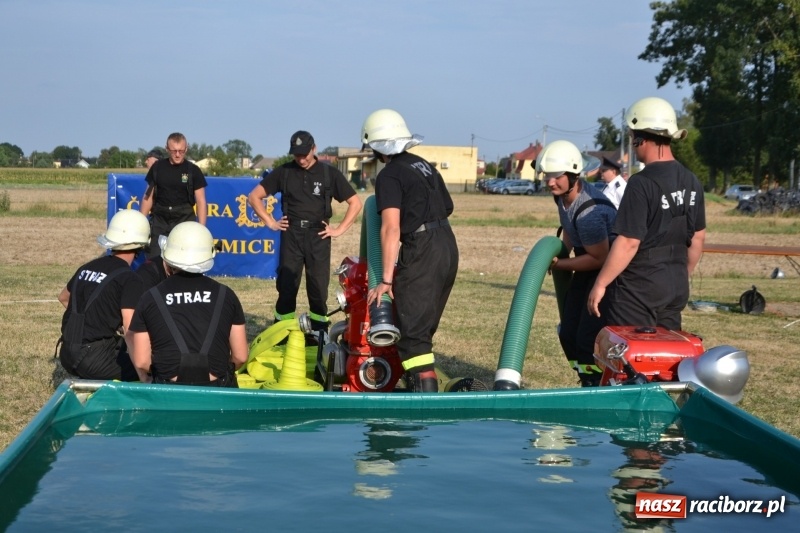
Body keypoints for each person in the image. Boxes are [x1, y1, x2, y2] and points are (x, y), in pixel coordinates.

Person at [587, 97, 706, 330]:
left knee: (632, 359)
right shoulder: (692, 180)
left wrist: (601, 283)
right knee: (668, 358)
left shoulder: (641, 183)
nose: (632, 142)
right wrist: (680, 276)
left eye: (632, 136)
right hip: (676, 285)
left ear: (642, 137)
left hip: (639, 290)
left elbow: (630, 241)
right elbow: (698, 238)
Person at [362, 109, 459, 393]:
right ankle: (420, 383)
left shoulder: (389, 176)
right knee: (422, 328)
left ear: (377, 147)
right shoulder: (423, 165)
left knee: (413, 335)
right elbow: (448, 206)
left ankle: (423, 403)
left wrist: (386, 280)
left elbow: (391, 228)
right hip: (447, 245)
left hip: (423, 249)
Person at [247, 130, 362, 337]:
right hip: (291, 234)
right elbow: (255, 196)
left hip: (318, 236)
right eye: (296, 155)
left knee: (318, 288)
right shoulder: (284, 172)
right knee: (287, 286)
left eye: (304, 154)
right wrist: (271, 222)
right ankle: (281, 333)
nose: (301, 159)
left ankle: (319, 334)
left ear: (314, 148)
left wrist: (339, 229)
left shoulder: (329, 174)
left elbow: (355, 202)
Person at [126, 222, 248, 386]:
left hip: (169, 393)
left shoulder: (150, 298)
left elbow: (141, 361)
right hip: (218, 392)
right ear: (208, 256)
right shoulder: (226, 296)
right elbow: (240, 356)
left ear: (168, 259)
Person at [537, 140, 617, 387]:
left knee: (586, 338)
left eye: (557, 176)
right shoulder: (562, 196)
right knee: (567, 333)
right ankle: (586, 379)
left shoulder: (589, 211)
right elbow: (570, 229)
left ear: (574, 174)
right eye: (547, 175)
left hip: (607, 271)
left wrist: (560, 264)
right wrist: (565, 250)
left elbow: (599, 258)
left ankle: (598, 384)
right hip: (587, 260)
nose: (550, 181)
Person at [57, 209, 149, 381]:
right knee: (152, 363)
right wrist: (143, 372)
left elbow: (63, 297)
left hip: (67, 354)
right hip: (93, 360)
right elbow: (130, 331)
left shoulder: (87, 267)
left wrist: (99, 321)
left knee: (120, 346)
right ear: (140, 246)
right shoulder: (130, 278)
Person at [139, 132, 208, 257]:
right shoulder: (157, 168)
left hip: (184, 220)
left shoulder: (193, 171)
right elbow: (147, 197)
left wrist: (201, 230)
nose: (177, 154)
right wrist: (141, 224)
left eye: (181, 151)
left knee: (183, 260)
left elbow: (201, 202)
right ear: (167, 149)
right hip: (160, 219)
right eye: (174, 151)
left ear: (186, 149)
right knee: (155, 260)